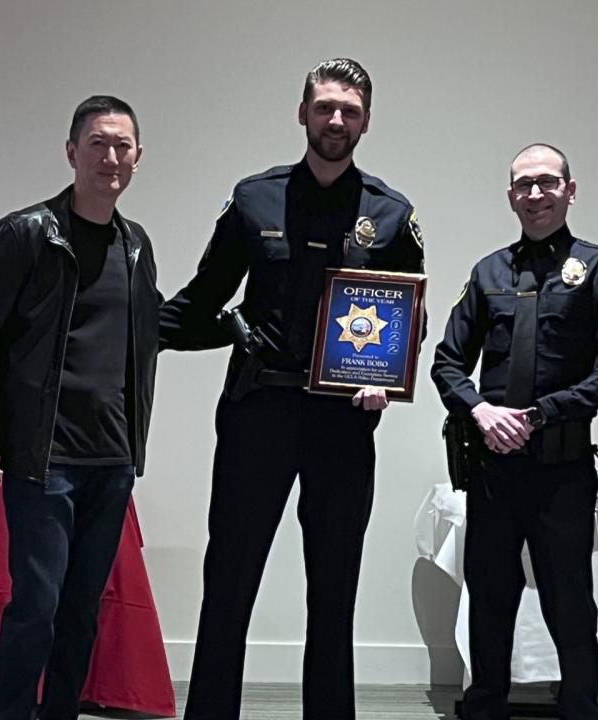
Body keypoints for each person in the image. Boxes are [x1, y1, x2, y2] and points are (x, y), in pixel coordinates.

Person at [159, 58, 425, 720]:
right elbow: (202, 301)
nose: (337, 120)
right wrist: (130, 329)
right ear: (302, 113)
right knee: (229, 580)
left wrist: (385, 383)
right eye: (326, 107)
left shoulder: (390, 215)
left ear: (367, 121)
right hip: (260, 412)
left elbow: (409, 320)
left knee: (333, 591)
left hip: (343, 423)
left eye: (351, 110)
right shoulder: (254, 199)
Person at [0, 95, 162, 720]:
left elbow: (152, 328)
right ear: (72, 153)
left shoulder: (137, 246)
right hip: (44, 460)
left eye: (122, 145)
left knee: (81, 612)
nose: (110, 156)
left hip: (113, 460)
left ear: (138, 158)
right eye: (97, 143)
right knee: (36, 608)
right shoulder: (26, 234)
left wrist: (237, 325)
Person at [430, 143, 598, 720]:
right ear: (510, 195)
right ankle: (486, 707)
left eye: (547, 182)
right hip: (493, 468)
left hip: (561, 471)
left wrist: (542, 413)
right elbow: (447, 361)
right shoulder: (487, 272)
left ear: (571, 190)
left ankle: (579, 711)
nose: (535, 194)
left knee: (570, 604)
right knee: (490, 600)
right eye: (523, 184)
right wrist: (479, 410)